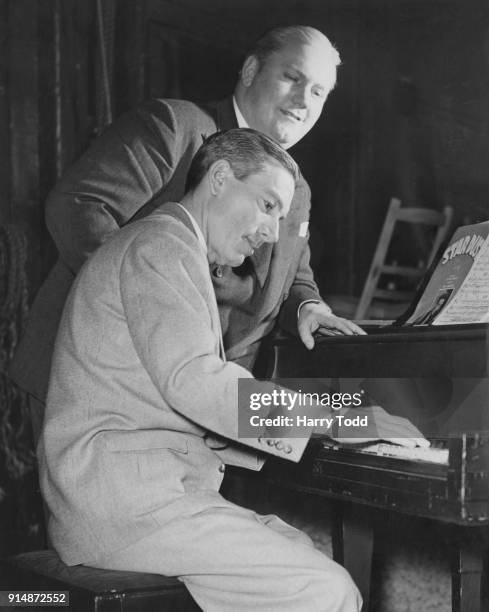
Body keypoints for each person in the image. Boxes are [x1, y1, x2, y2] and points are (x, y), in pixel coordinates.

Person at [38, 129, 425, 612]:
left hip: (142, 495)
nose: (269, 234)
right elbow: (198, 383)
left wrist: (332, 419)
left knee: (301, 551)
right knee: (325, 588)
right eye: (267, 206)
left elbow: (182, 395)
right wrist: (345, 420)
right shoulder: (163, 246)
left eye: (280, 218)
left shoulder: (167, 245)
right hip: (125, 506)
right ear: (219, 177)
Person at [10, 25, 364, 441]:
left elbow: (291, 276)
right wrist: (148, 306)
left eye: (319, 91)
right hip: (108, 390)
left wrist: (310, 308)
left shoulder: (295, 188)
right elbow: (76, 206)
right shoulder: (174, 126)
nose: (304, 100)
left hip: (209, 409)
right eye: (293, 77)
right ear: (250, 70)